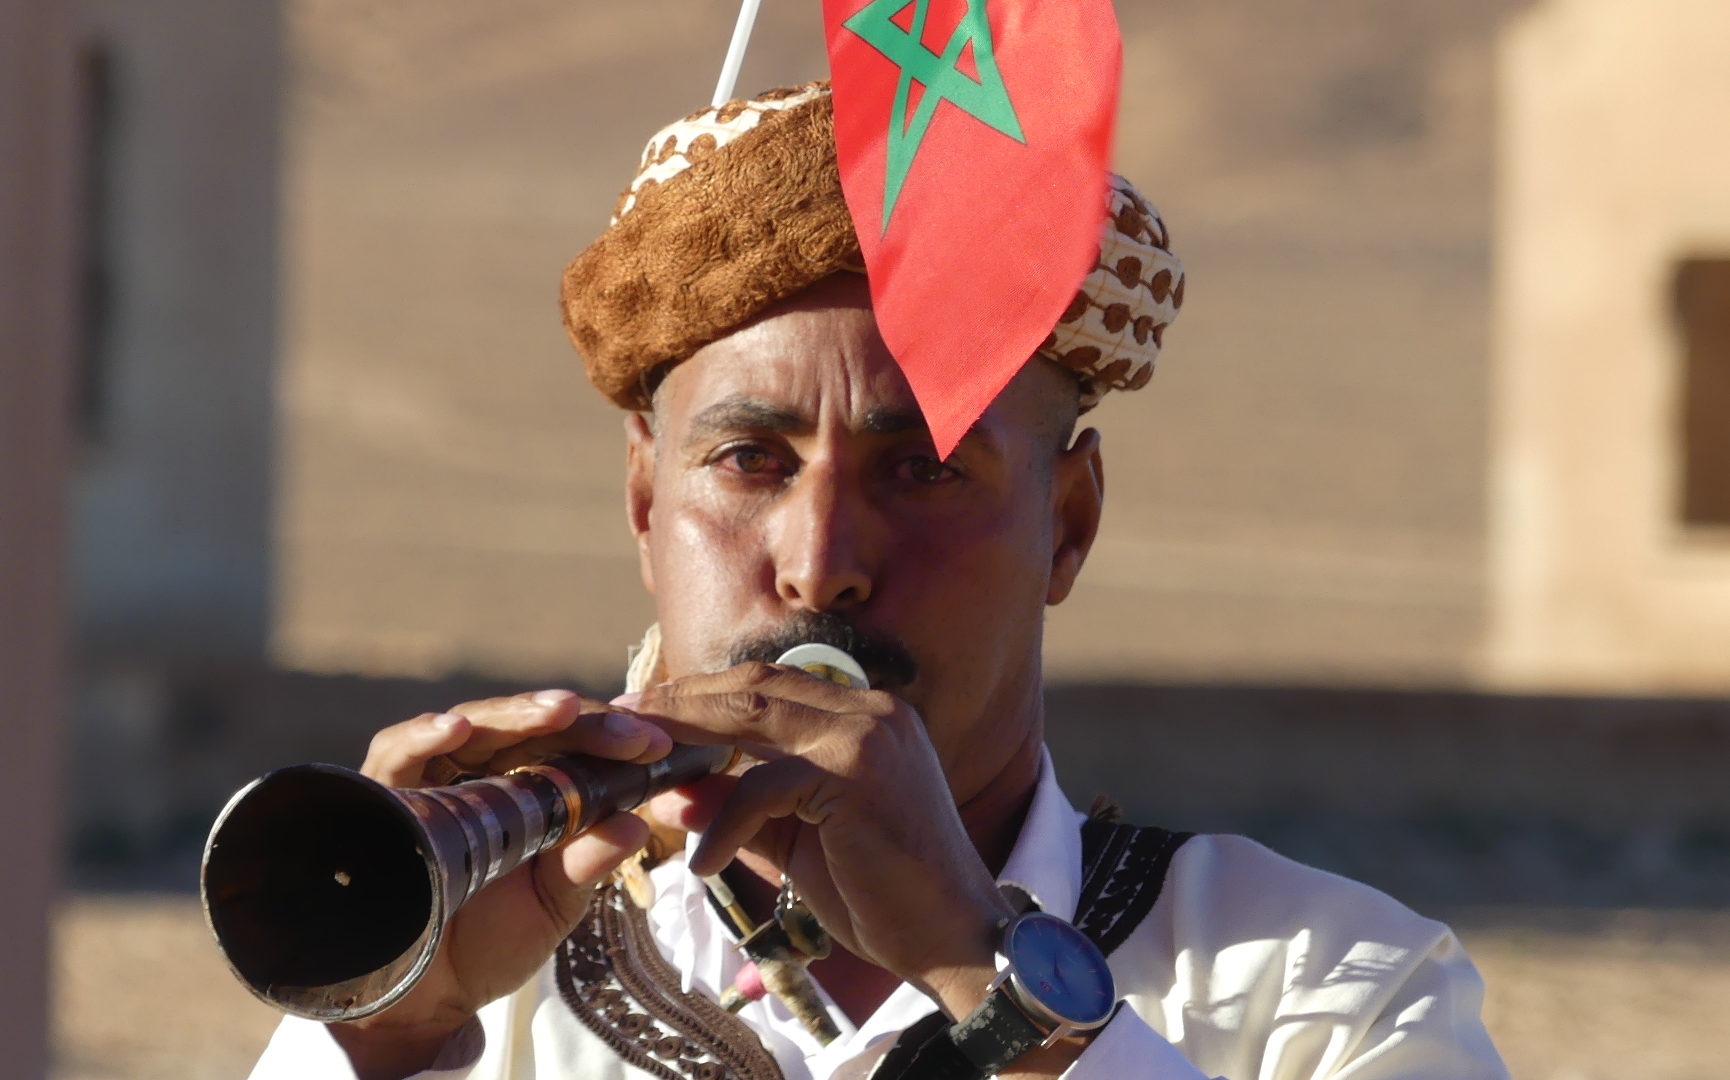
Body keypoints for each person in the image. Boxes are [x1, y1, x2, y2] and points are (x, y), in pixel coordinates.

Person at [250, 83, 1507, 1080]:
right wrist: (389, 1040)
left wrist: (997, 984)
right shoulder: (476, 1003)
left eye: (927, 469)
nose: (823, 563)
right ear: (645, 501)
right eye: (749, 461)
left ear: (1067, 524)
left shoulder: (1334, 986)